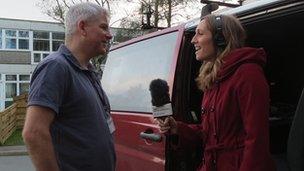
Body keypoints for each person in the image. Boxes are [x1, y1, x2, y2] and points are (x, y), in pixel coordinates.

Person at [155, 14, 276, 171]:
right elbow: (210, 133)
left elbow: (257, 141)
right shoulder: (213, 77)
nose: (193, 40)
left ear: (221, 38)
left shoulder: (248, 74)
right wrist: (178, 129)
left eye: (200, 33)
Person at [22, 2, 116, 171]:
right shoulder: (55, 67)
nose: (109, 35)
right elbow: (33, 133)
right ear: (82, 27)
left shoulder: (89, 72)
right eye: (104, 27)